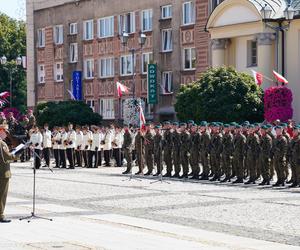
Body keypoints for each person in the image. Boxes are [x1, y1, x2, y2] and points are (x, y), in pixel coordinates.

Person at [0, 127, 17, 223]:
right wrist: (17, 154)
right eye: (5, 132)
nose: (6, 134)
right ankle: (1, 215)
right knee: (2, 195)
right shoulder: (1, 143)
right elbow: (5, 158)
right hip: (3, 172)